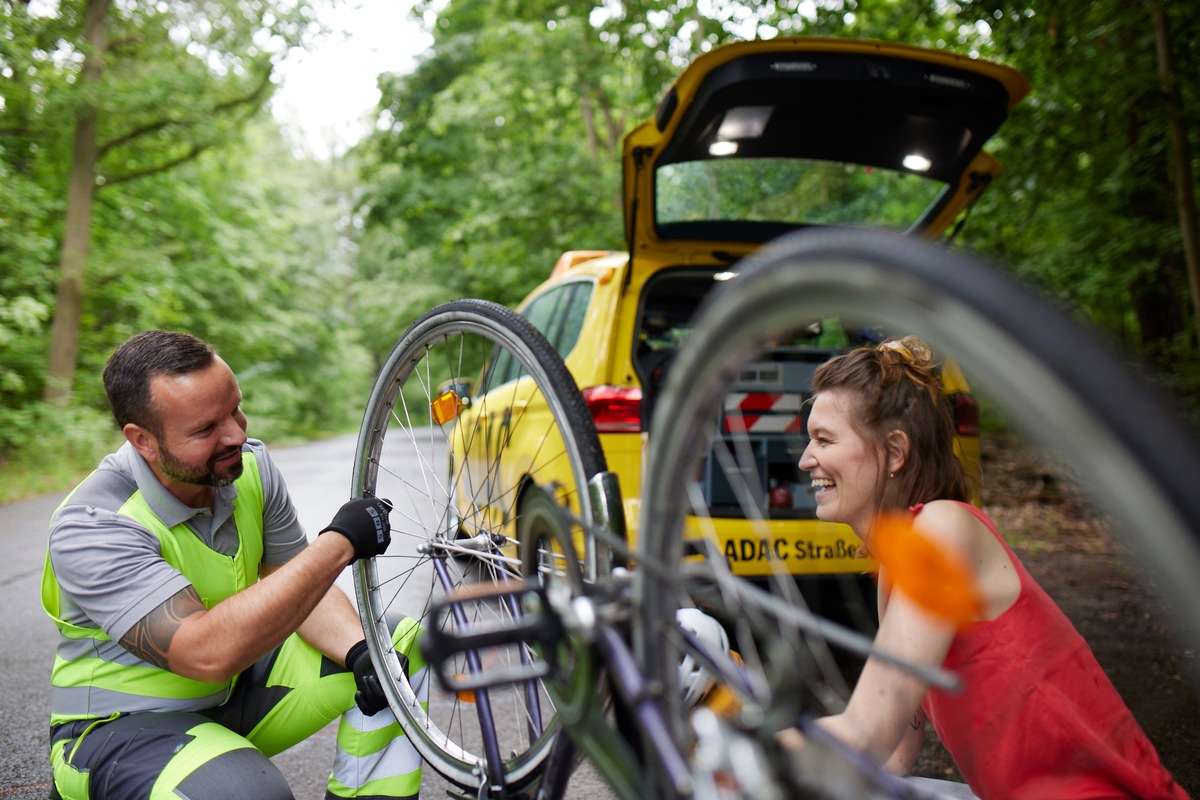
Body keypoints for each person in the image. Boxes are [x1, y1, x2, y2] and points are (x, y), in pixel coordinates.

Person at [794, 336, 1188, 799]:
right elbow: (896, 751)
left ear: (895, 452)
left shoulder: (943, 527)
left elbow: (869, 732)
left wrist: (717, 747)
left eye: (824, 439)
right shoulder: (896, 569)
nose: (805, 459)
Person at [42, 330, 424, 800]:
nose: (237, 435)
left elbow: (300, 586)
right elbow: (204, 653)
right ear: (143, 440)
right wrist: (339, 543)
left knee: (395, 650)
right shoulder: (95, 525)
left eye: (235, 409)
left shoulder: (247, 468)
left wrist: (359, 651)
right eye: (206, 429)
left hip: (231, 696)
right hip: (122, 729)